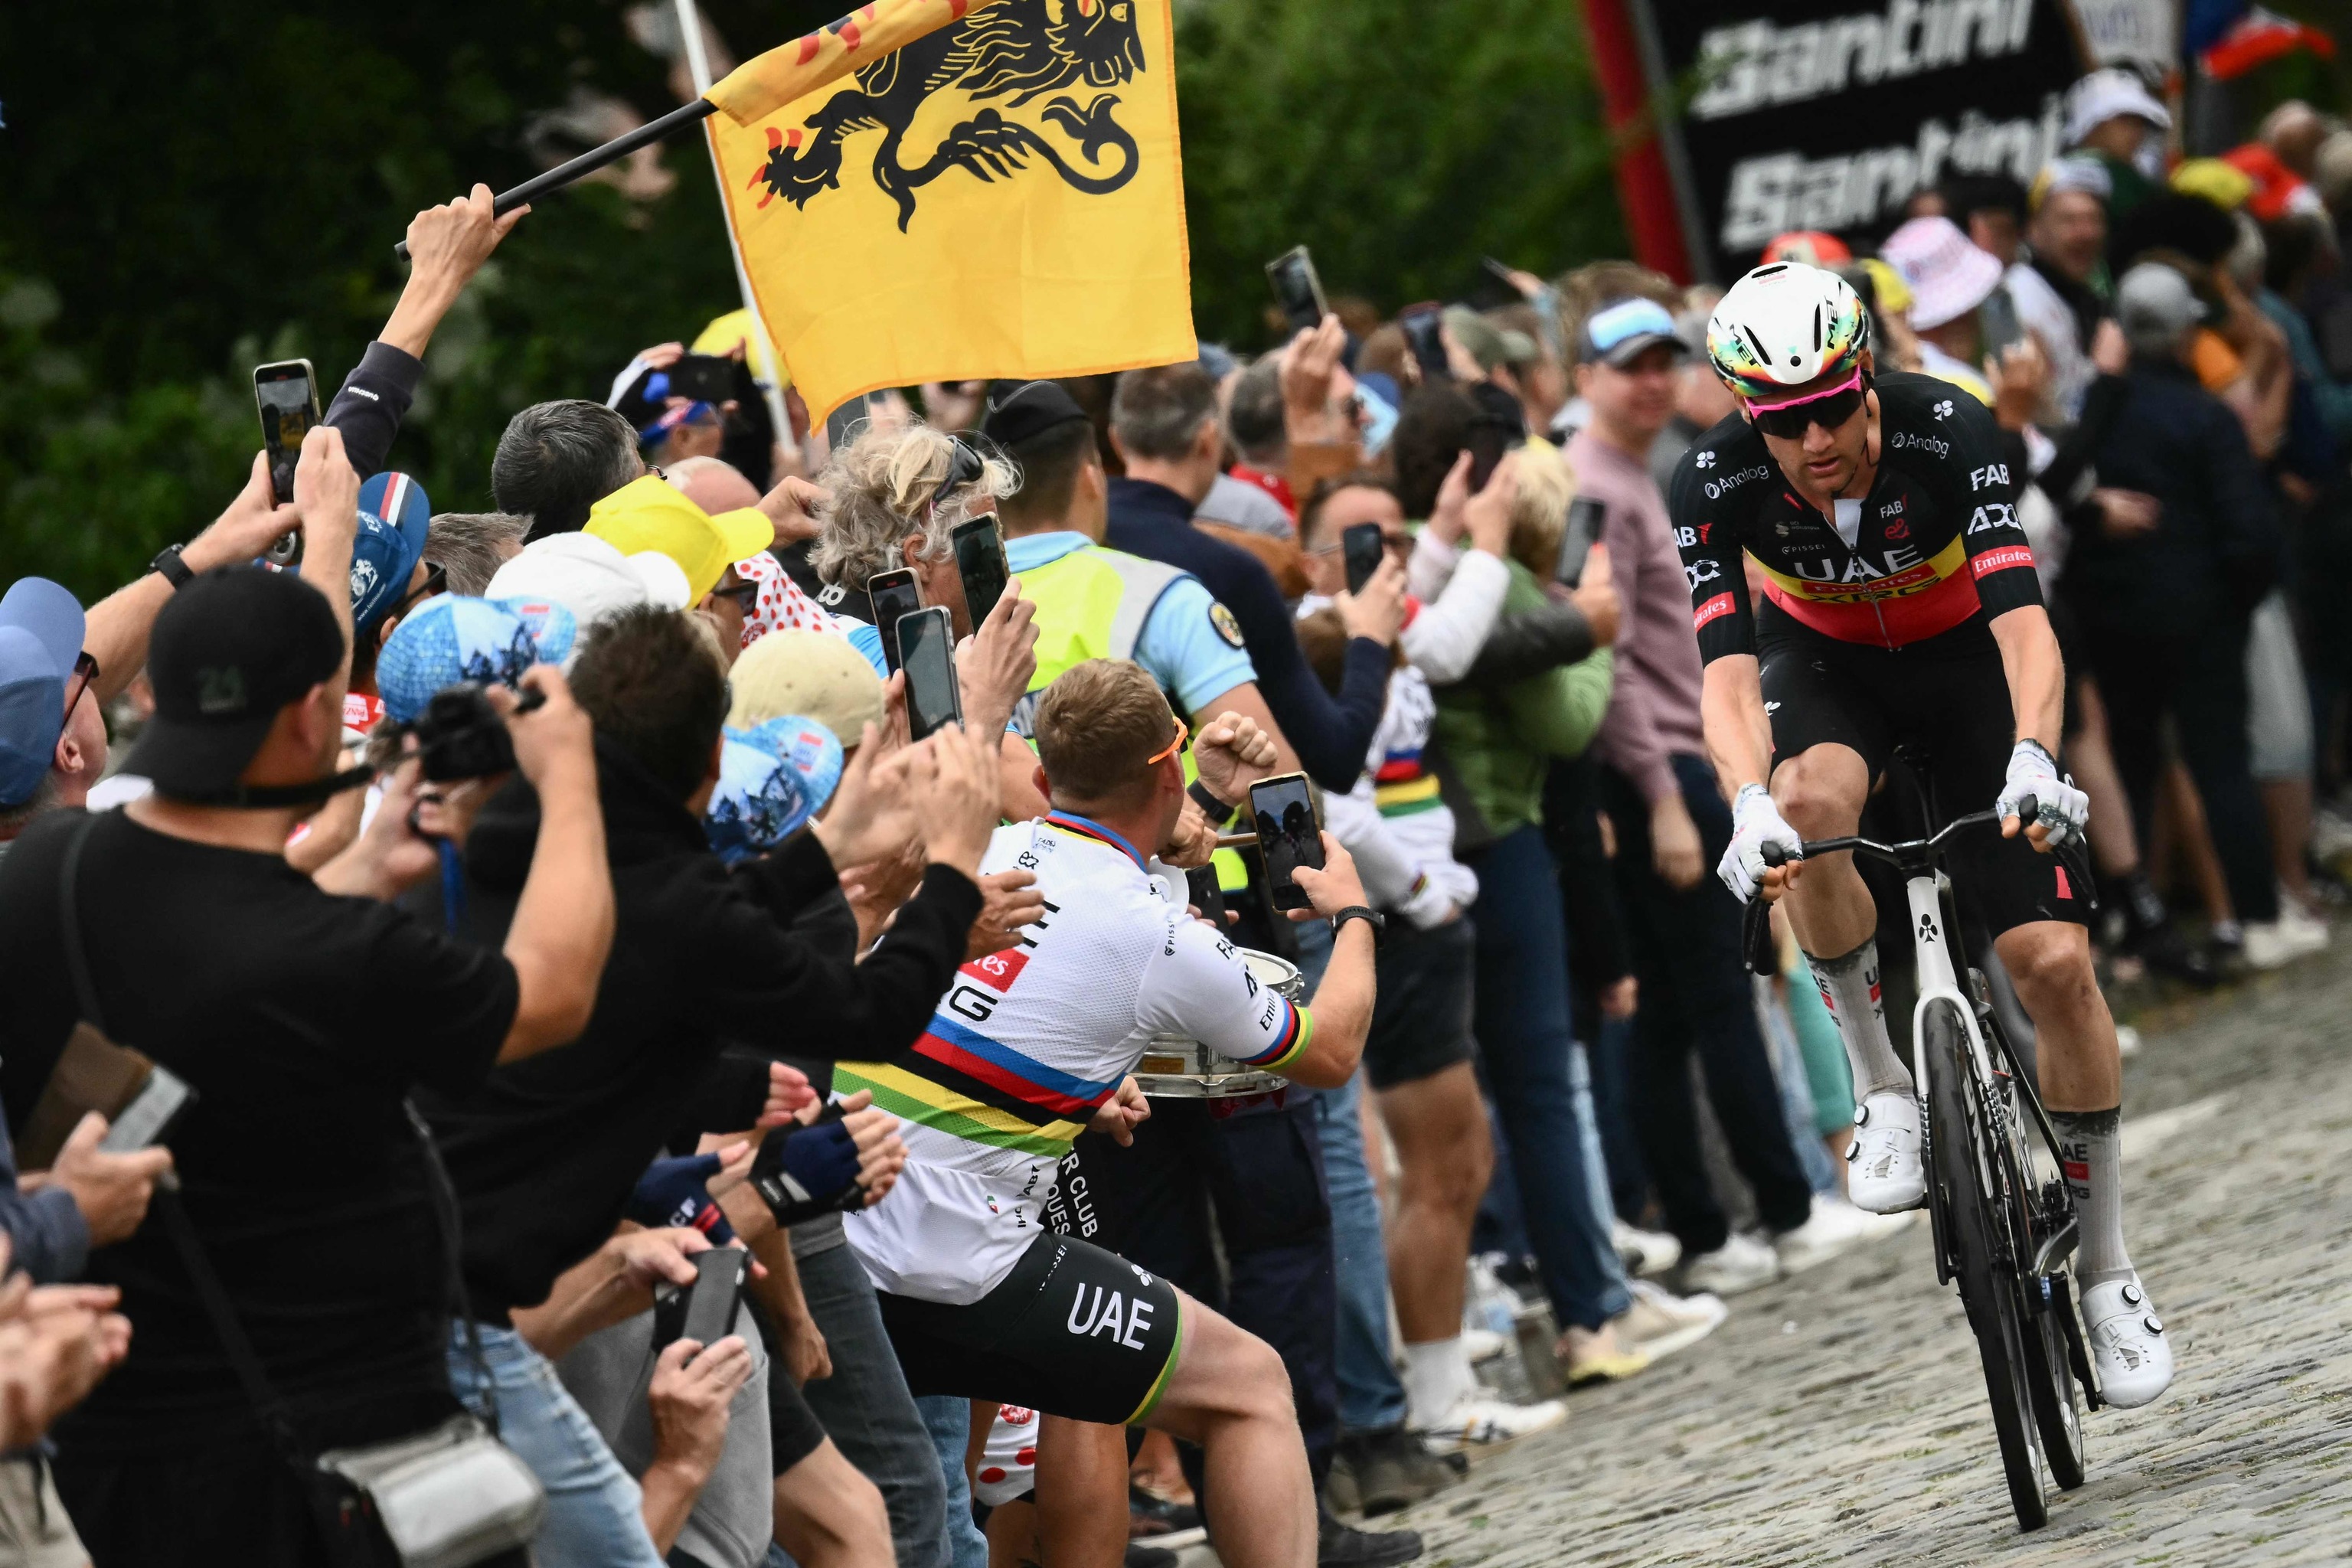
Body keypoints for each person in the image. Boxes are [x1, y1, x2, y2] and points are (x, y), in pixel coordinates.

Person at [0, 426, 617, 1564]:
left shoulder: (37, 878)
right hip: (326, 1474)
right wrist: (571, 778)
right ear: (304, 721)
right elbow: (553, 995)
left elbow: (224, 902)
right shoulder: (332, 953)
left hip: (111, 1458)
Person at [1674, 260, 2174, 1408]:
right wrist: (1745, 802)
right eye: (1783, 425)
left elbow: (2024, 627)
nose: (1813, 444)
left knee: (2053, 966)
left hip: (1966, 668)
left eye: (1832, 410)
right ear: (1753, 418)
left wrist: (2038, 755)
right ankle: (1882, 1083)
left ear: (1867, 379)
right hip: (1830, 667)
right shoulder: (1709, 479)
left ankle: (2105, 1265)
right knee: (1806, 810)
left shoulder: (1950, 430)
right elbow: (1729, 676)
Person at [420, 604, 1004, 1567]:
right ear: (707, 771)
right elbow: (867, 1013)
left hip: (422, 1290)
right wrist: (952, 866)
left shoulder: (525, 839)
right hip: (467, 1325)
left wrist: (831, 841)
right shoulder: (667, 899)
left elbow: (686, 923)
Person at [840, 658, 1378, 1568]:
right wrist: (1355, 911)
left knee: (1081, 1385)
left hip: (836, 1231)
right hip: (948, 1261)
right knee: (1249, 1384)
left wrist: (1081, 1092)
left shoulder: (988, 843)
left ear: (1044, 781)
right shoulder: (1160, 934)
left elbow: (981, 1016)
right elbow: (1329, 1051)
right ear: (1171, 775)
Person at [1569, 297, 1902, 1294]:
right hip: (1670, 758)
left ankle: (1722, 1227)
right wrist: (1664, 794)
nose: (1649, 380)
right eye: (1626, 364)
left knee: (1678, 1014)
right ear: (1583, 374)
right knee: (1720, 995)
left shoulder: (1649, 469)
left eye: (1663, 361)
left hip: (1693, 746)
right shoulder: (1596, 481)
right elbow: (1611, 651)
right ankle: (1783, 1210)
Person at [2068, 263, 2311, 968]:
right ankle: (2258, 920)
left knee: (2132, 770)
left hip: (2116, 625)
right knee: (2220, 763)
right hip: (2201, 619)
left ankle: (2141, 934)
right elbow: (2249, 533)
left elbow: (2070, 503)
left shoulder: (2095, 415)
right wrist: (2229, 607)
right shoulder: (2204, 416)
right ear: (2181, 333)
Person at [1104, 362, 1396, 792]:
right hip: (1195, 835)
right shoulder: (1231, 571)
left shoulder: (1075, 544)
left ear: (1116, 439)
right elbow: (1336, 756)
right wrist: (1370, 639)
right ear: (1209, 439)